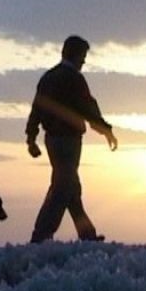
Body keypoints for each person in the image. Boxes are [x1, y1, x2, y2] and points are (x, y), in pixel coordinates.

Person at [25, 35, 118, 243]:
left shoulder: (48, 77)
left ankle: (87, 235)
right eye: (83, 56)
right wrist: (106, 130)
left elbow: (36, 109)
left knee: (71, 189)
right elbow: (88, 107)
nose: (84, 61)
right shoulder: (74, 79)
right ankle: (40, 236)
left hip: (52, 141)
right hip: (68, 141)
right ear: (75, 55)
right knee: (62, 187)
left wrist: (31, 138)